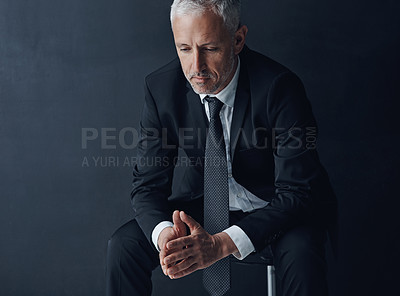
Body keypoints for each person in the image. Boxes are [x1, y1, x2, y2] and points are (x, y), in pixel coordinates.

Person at [106, 0, 337, 295]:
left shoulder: (280, 88)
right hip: (207, 204)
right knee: (124, 245)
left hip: (277, 209)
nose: (196, 67)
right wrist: (166, 236)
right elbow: (147, 186)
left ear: (237, 39)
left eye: (210, 48)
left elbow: (298, 192)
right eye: (184, 49)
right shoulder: (161, 88)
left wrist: (220, 245)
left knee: (303, 256)